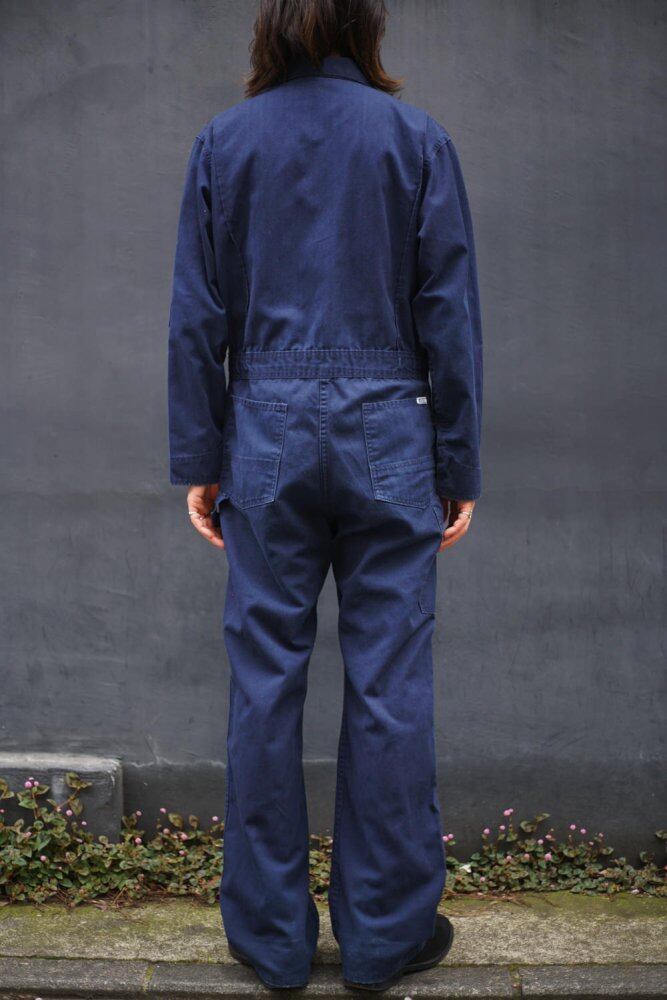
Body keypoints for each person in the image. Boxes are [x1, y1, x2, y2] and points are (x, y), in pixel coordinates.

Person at [167, 0, 482, 991]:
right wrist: (457, 465)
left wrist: (202, 456)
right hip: (391, 431)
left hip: (264, 431)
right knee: (390, 684)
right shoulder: (415, 139)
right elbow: (447, 311)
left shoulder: (225, 143)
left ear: (272, 28)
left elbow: (196, 317)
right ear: (364, 27)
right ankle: (385, 938)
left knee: (264, 683)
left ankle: (270, 941)